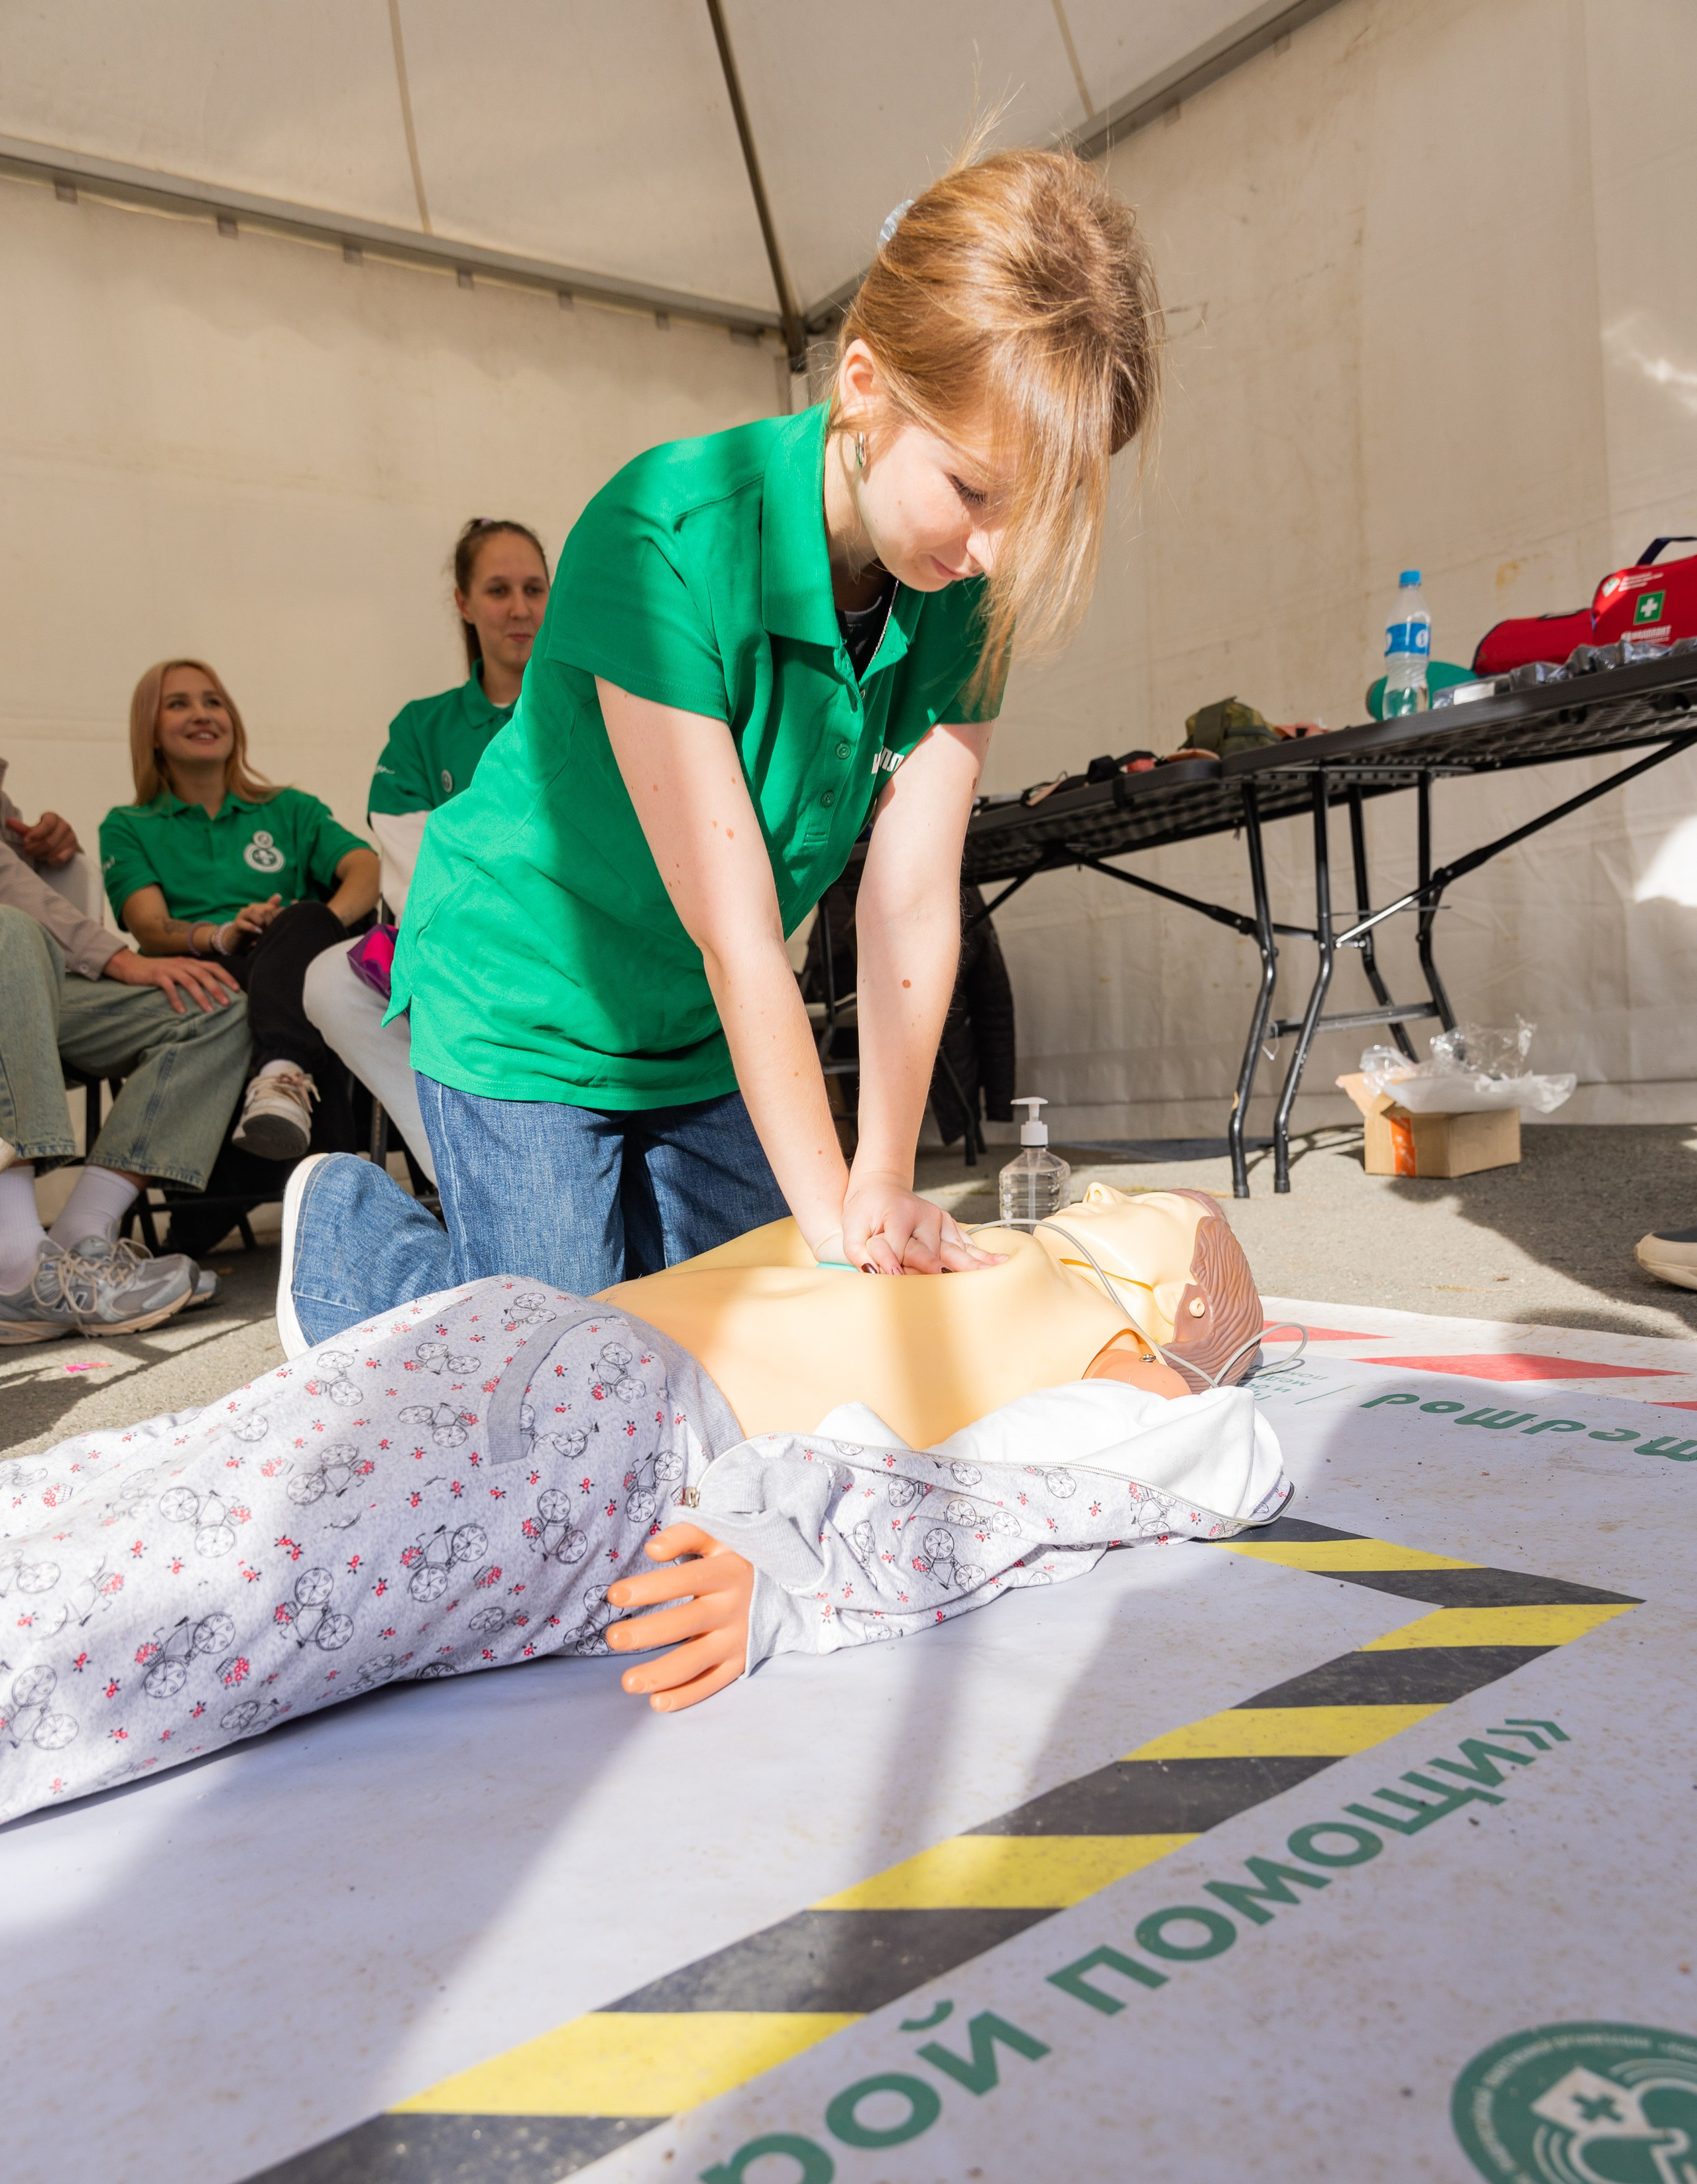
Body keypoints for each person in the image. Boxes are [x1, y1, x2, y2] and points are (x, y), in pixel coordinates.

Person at [311, 146, 1159, 1309]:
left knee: (740, 1337)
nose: (999, 553)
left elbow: (911, 899)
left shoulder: (964, 579)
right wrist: (838, 1236)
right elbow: (742, 934)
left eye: (1040, 510)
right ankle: (354, 1248)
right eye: (975, 490)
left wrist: (883, 1180)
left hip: (698, 1029)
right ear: (864, 384)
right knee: (567, 1365)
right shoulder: (660, 530)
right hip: (530, 999)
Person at [0, 1183, 1279, 1824]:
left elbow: (1046, 1470)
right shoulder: (1059, 1288)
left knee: (156, 1527)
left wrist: (783, 1555)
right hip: (585, 1421)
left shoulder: (1052, 1288)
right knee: (177, 1578)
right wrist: (791, 1556)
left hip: (551, 1374)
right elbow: (1046, 1477)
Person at [301, 519, 552, 1176]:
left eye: (534, 588)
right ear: (464, 604)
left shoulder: (591, 708)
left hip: (571, 956)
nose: (520, 609)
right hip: (464, 958)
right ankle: (470, 1178)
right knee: (330, 980)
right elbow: (412, 883)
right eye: (498, 590)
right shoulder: (421, 727)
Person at [0, 760, 249, 1341]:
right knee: (8, 934)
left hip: (24, 976)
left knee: (210, 1002)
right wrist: (118, 957)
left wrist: (40, 847)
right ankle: (16, 1268)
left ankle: (78, 1241)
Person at [99, 661, 379, 1162]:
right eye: (178, 703)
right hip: (207, 968)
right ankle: (330, 1165)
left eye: (214, 701)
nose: (202, 715)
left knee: (308, 928)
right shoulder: (128, 825)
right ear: (151, 733)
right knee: (305, 976)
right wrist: (224, 934)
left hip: (292, 959)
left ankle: (279, 1078)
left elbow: (367, 868)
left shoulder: (290, 807)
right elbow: (149, 926)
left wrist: (313, 929)